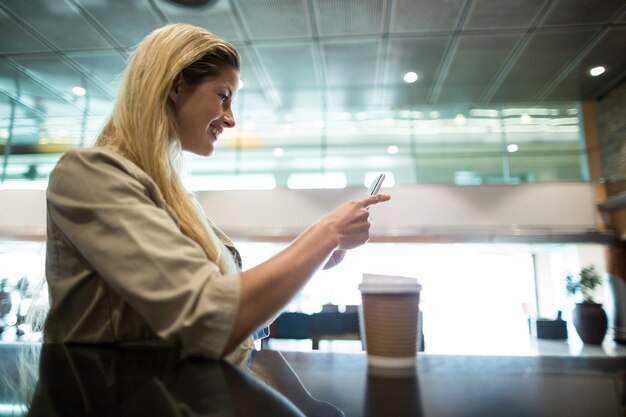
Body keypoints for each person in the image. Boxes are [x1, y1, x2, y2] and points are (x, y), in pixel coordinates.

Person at [44, 23, 390, 361]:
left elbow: (235, 319)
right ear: (176, 86)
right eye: (223, 97)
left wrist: (313, 258)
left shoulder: (173, 195)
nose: (230, 119)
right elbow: (209, 319)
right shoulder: (92, 174)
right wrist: (325, 234)